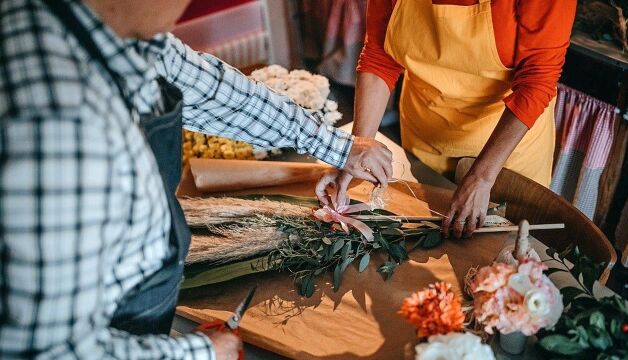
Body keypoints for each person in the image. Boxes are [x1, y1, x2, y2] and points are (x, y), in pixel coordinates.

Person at [0, 0, 393, 359]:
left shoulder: (106, 29)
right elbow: (45, 350)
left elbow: (216, 92)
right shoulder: (57, 120)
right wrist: (197, 353)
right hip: (115, 325)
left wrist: (339, 147)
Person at [316, 0, 577, 239]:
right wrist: (358, 149)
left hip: (503, 155)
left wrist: (482, 178)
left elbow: (537, 81)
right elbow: (379, 55)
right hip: (425, 136)